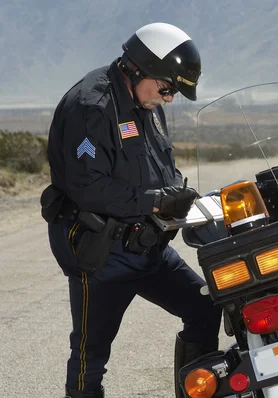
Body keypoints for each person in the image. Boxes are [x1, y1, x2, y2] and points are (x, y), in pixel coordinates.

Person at [41, 22, 222, 398]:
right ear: (140, 68)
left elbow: (160, 165)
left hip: (148, 247)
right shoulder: (91, 107)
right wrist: (155, 201)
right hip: (103, 254)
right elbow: (88, 187)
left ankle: (196, 392)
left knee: (205, 308)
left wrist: (183, 197)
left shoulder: (148, 100)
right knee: (91, 355)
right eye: (168, 87)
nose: (170, 98)